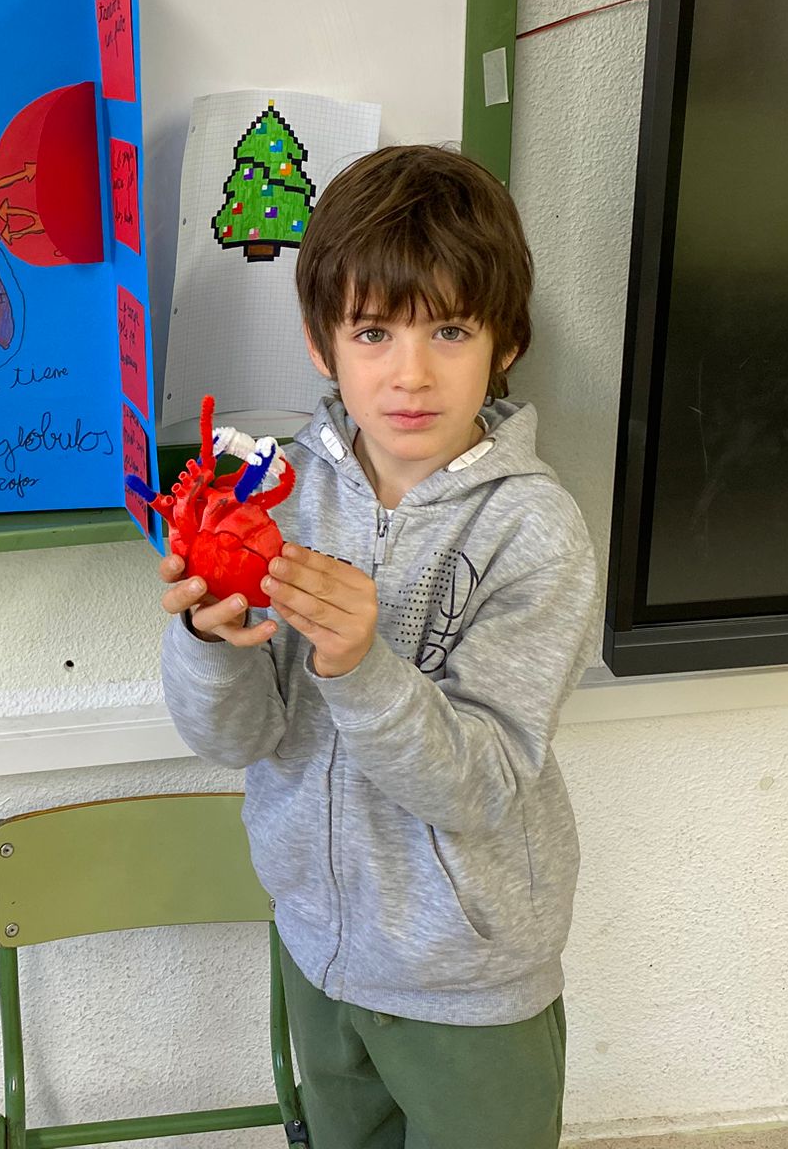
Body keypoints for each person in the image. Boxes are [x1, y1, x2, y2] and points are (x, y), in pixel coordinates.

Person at [158, 143, 600, 1149]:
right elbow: (235, 739)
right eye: (372, 331)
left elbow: (481, 784)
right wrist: (207, 641)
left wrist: (361, 668)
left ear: (504, 340)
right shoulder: (274, 496)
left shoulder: (533, 531)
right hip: (317, 948)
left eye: (449, 329)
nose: (410, 373)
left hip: (468, 979)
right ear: (322, 345)